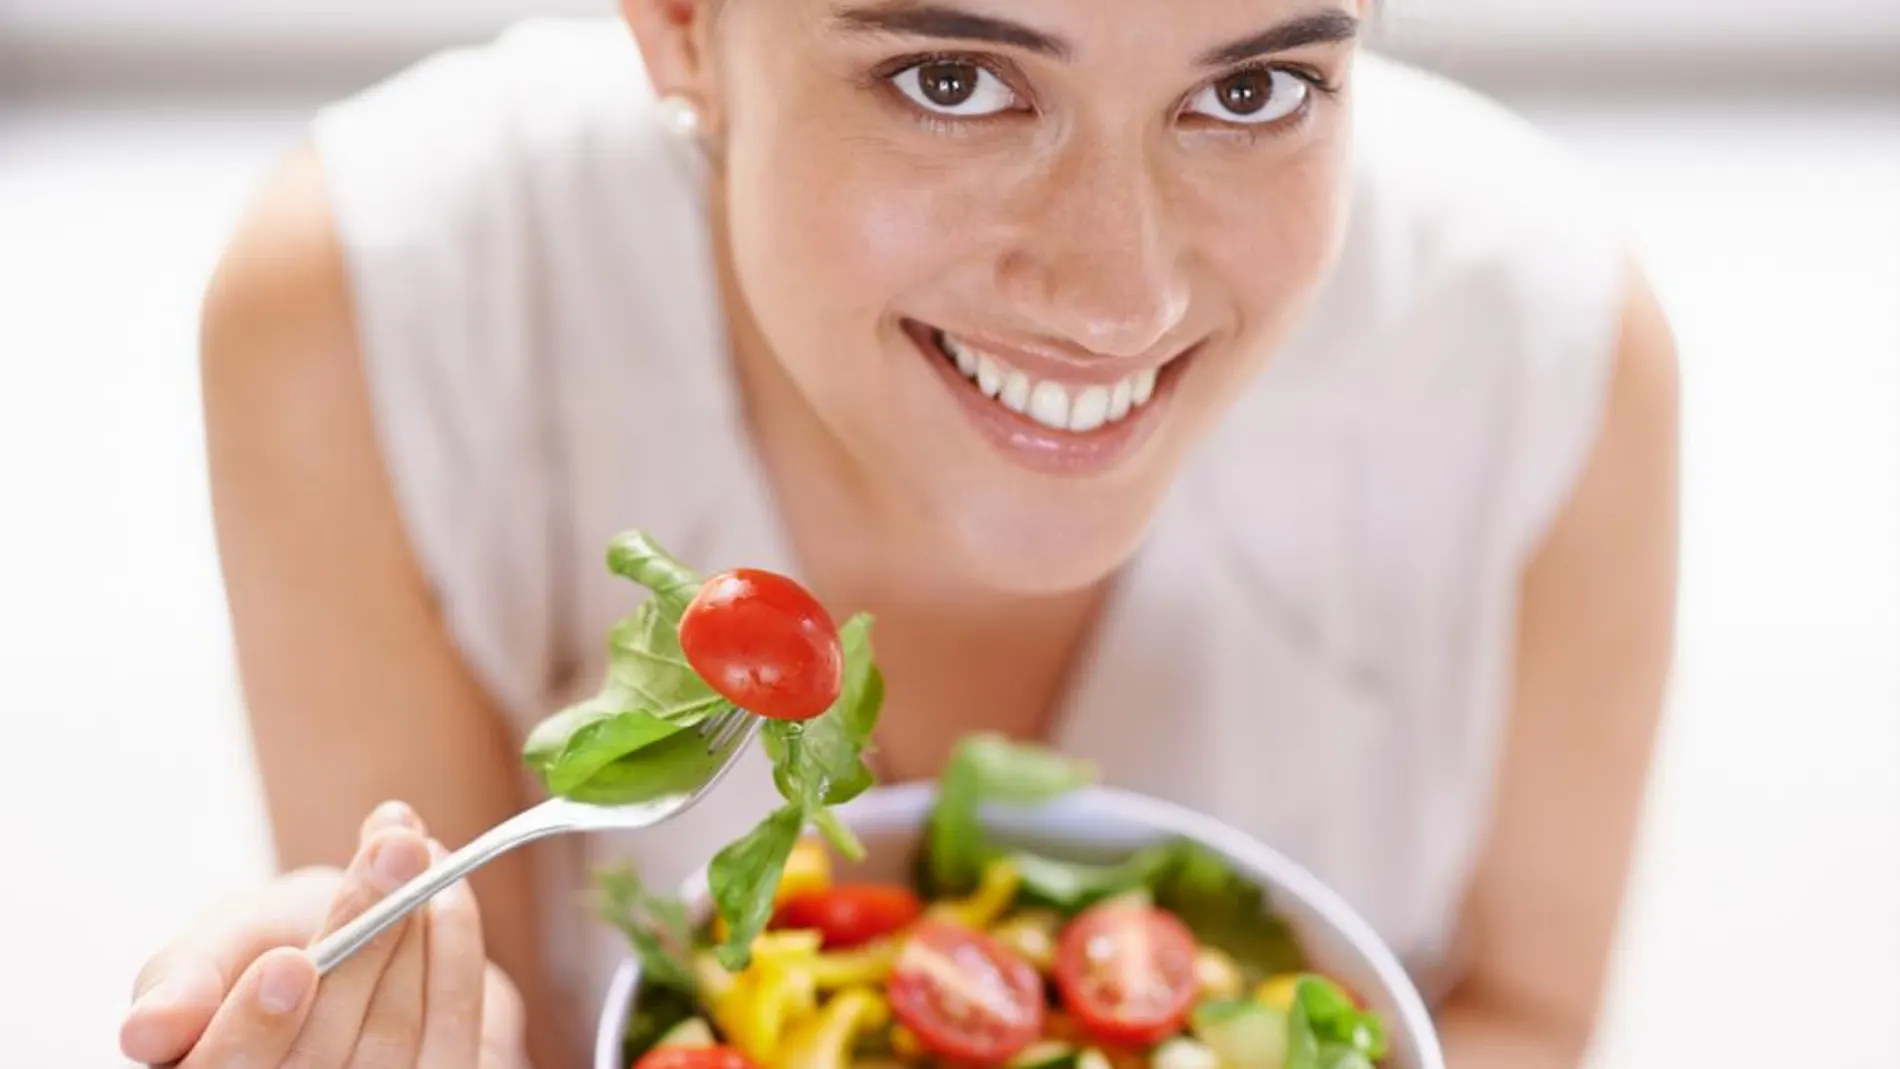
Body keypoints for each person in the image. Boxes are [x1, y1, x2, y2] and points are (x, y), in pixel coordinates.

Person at [118, 1, 1679, 1067]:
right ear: (681, 27)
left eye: (1251, 88)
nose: (1116, 297)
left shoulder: (1542, 346)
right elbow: (491, 1019)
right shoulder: (377, 305)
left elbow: (1517, 1017)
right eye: (954, 79)